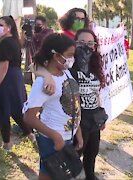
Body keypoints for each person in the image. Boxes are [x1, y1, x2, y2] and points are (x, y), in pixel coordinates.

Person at [35, 29, 107, 180]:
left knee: (92, 153)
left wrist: (100, 112)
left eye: (90, 44)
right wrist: (47, 75)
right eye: (81, 43)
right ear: (74, 44)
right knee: (70, 159)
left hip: (92, 119)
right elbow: (37, 67)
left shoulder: (95, 66)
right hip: (72, 120)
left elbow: (96, 92)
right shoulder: (67, 66)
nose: (86, 47)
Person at [23, 33, 83, 180]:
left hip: (67, 136)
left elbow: (74, 106)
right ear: (56, 56)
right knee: (50, 173)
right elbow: (29, 117)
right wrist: (55, 136)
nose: (71, 59)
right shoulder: (43, 84)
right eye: (69, 55)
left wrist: (78, 134)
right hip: (52, 139)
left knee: (62, 175)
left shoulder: (66, 73)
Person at [0, 15, 34, 151]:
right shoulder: (13, 41)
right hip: (15, 79)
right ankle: (30, 135)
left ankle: (7, 143)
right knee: (16, 110)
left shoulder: (5, 43)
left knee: (3, 110)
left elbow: (3, 67)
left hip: (6, 80)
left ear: (8, 28)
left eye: (1, 25)